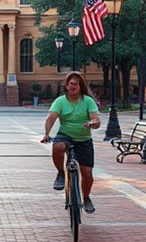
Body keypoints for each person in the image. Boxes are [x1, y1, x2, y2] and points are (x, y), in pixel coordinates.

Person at [41, 71, 101, 214]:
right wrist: (47, 134)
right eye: (70, 84)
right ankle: (61, 173)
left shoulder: (88, 101)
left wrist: (91, 123)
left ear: (80, 86)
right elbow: (51, 118)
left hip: (84, 139)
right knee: (58, 146)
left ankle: (86, 198)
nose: (73, 86)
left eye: (75, 84)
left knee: (87, 173)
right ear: (66, 86)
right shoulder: (60, 101)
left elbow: (96, 121)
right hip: (65, 135)